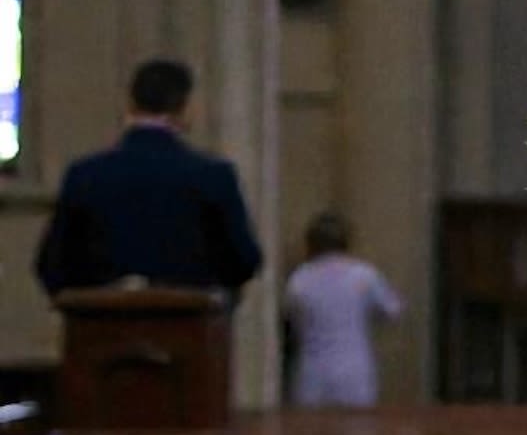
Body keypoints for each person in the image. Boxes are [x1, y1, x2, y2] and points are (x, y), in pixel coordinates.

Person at [36, 57, 264, 299]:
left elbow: (52, 265)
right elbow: (244, 261)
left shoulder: (85, 175)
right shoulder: (212, 176)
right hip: (189, 327)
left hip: (103, 328)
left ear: (130, 104)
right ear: (185, 107)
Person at [283, 212, 405, 409]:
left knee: (309, 433)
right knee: (357, 433)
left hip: (312, 372)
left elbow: (291, 319)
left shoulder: (300, 279)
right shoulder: (363, 275)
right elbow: (392, 311)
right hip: (354, 371)